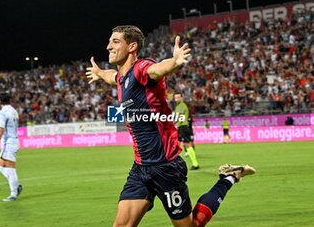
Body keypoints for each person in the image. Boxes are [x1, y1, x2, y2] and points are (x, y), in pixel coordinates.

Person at [86, 25, 255, 227]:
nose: (108, 46)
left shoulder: (141, 69)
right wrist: (99, 73)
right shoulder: (122, 78)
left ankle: (228, 177)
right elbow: (110, 76)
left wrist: (174, 62)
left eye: (115, 41)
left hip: (165, 168)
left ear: (131, 46)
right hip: (140, 169)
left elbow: (158, 69)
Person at [0, 92, 23, 202]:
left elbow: (1, 129)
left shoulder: (2, 112)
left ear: (0, 101)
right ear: (10, 99)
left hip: (8, 143)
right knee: (0, 166)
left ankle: (13, 193)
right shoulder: (14, 111)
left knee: (10, 168)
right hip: (14, 140)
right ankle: (17, 186)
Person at [174, 93, 199, 170]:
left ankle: (195, 164)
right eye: (176, 98)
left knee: (187, 145)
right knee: (177, 144)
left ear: (182, 98)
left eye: (178, 97)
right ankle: (175, 163)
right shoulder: (177, 107)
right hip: (180, 127)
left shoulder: (182, 106)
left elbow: (179, 118)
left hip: (183, 127)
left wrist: (171, 123)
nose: (177, 99)